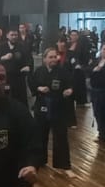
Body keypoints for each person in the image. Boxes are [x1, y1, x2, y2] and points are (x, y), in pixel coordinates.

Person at [30, 47, 75, 175]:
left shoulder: (62, 71)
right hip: (42, 105)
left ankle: (64, 166)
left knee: (60, 136)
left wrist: (69, 90)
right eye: (50, 57)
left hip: (58, 106)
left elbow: (70, 84)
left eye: (55, 57)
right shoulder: (39, 71)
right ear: (44, 59)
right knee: (39, 135)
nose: (53, 59)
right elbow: (32, 84)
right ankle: (39, 161)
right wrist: (39, 88)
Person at [0, 30, 31, 108]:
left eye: (15, 35)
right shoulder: (1, 46)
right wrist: (3, 57)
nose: (14, 37)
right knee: (5, 97)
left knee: (20, 99)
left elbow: (29, 58)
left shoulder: (22, 46)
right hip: (6, 78)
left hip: (19, 78)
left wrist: (28, 66)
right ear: (7, 36)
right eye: (12, 35)